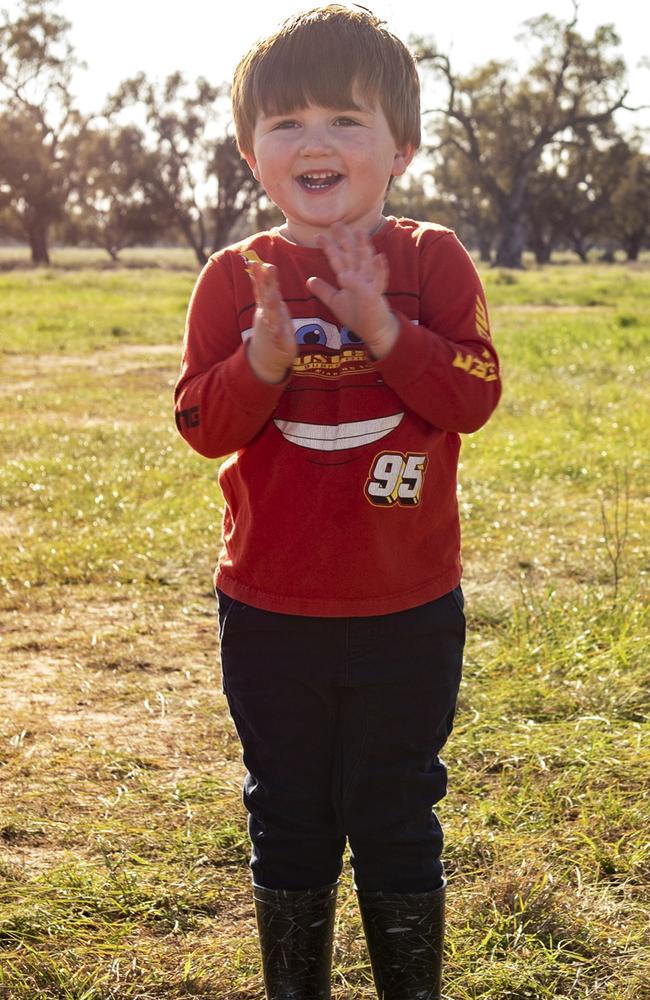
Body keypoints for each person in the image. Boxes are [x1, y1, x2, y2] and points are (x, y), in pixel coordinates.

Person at [174, 5, 501, 998]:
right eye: (286, 123)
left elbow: (472, 395)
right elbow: (200, 423)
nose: (313, 140)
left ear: (398, 146)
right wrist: (262, 359)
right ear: (249, 152)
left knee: (396, 811)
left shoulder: (428, 261)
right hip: (269, 609)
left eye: (343, 120)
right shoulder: (234, 281)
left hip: (406, 607)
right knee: (288, 812)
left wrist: (381, 329)